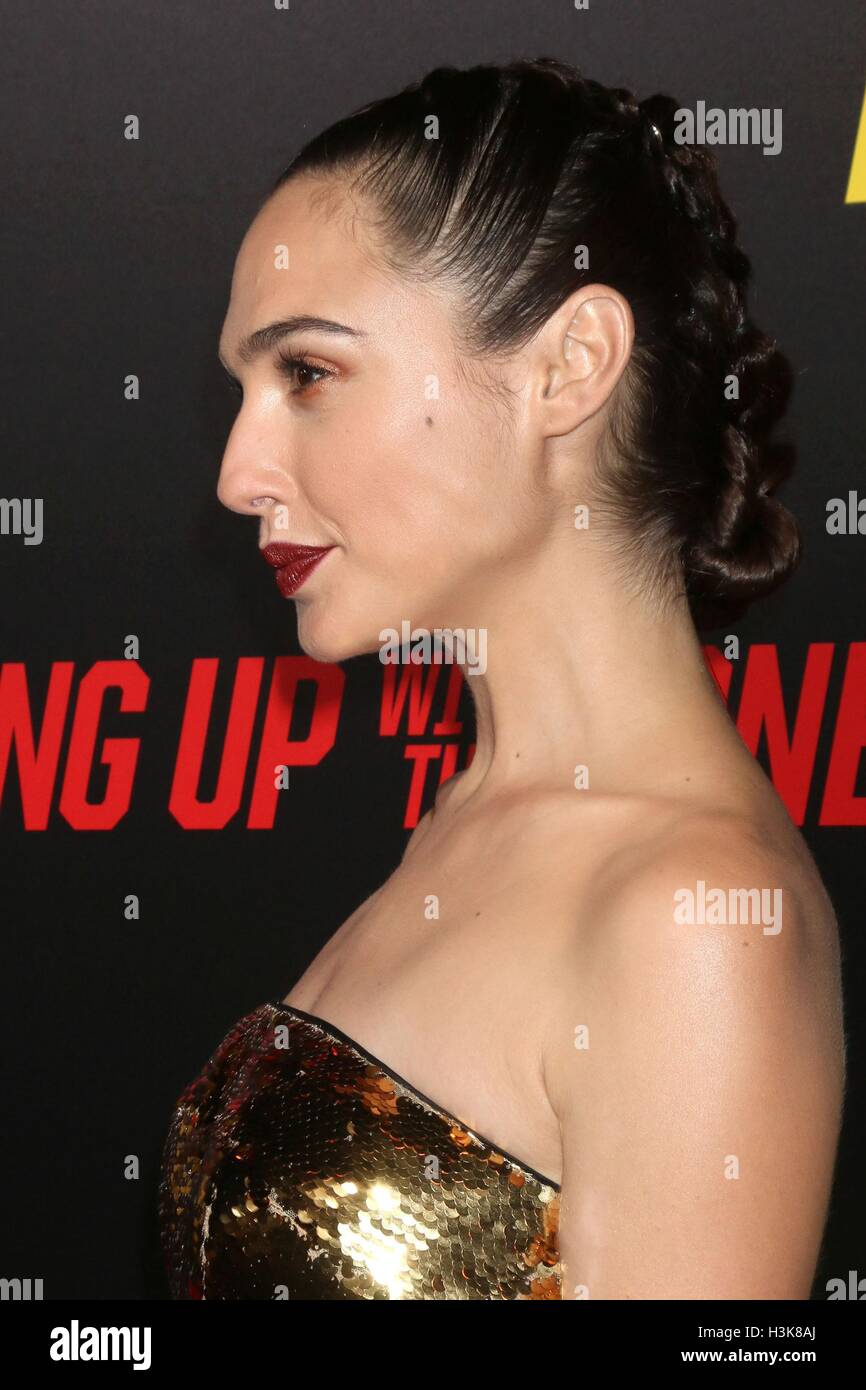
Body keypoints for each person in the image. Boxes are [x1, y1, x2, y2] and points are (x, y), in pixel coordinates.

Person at [159, 57, 846, 1300]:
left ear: (568, 366)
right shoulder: (468, 822)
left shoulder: (694, 917)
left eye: (305, 374)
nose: (238, 470)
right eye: (242, 390)